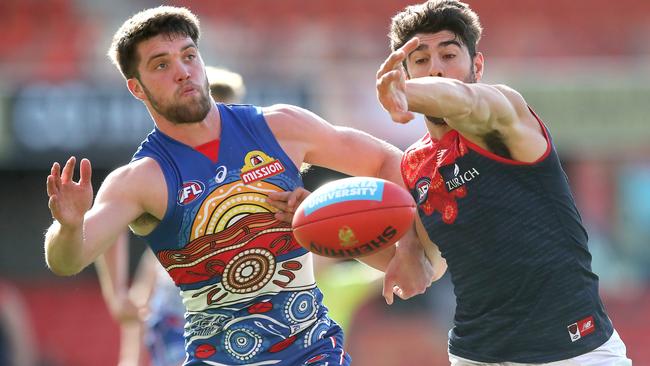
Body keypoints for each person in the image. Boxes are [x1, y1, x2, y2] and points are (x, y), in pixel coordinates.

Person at [44, 6, 432, 366]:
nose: (183, 71)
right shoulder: (138, 179)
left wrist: (409, 246)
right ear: (137, 88)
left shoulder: (280, 127)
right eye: (161, 64)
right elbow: (67, 260)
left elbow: (388, 159)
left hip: (316, 353)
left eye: (189, 55)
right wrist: (68, 226)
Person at [375, 1, 632, 365]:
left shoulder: (503, 109)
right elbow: (430, 264)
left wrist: (409, 94)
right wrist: (393, 244)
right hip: (474, 354)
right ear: (406, 71)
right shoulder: (415, 164)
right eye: (420, 60)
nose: (435, 69)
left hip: (574, 351)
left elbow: (464, 101)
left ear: (477, 66)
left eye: (449, 54)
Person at [96, 65, 251, 366]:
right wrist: (117, 296)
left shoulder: (252, 174)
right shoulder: (166, 176)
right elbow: (111, 222)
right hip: (185, 330)